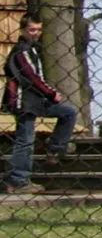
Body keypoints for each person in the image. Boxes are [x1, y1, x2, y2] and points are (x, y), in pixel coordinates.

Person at [4, 13, 77, 194]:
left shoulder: (32, 49)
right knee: (25, 140)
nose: (36, 33)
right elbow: (31, 78)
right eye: (31, 30)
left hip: (36, 100)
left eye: (38, 29)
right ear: (22, 30)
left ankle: (55, 148)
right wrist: (51, 93)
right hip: (24, 102)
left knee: (68, 113)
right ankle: (19, 180)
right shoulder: (22, 51)